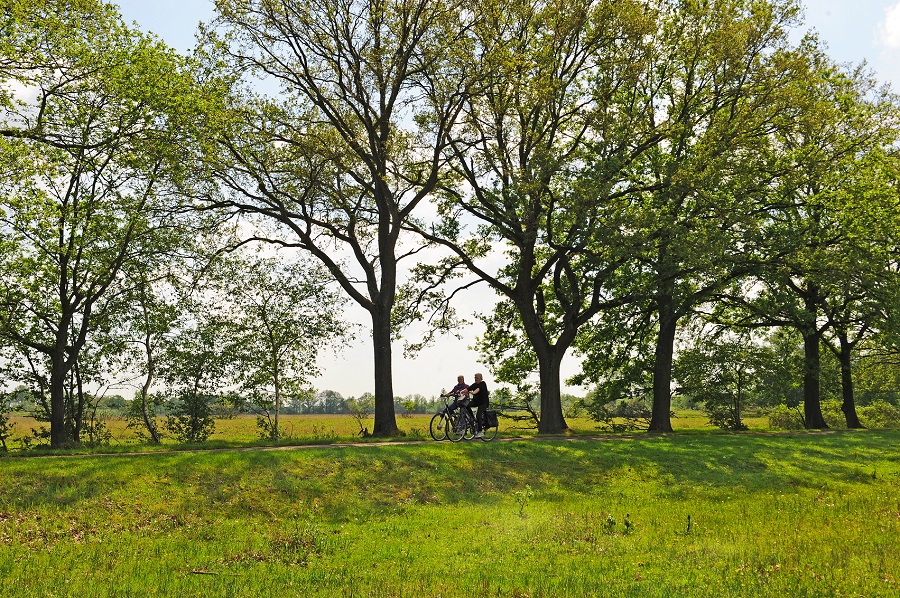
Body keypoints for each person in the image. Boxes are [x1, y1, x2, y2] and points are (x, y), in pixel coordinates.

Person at [467, 373, 489, 438]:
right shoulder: (474, 384)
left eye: (477, 377)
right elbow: (467, 389)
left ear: (481, 378)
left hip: (483, 403)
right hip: (476, 402)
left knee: (478, 415)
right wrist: (461, 392)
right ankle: (472, 418)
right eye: (475, 377)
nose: (475, 379)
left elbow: (478, 389)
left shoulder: (483, 384)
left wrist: (473, 393)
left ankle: (480, 431)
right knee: (467, 405)